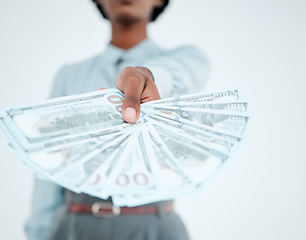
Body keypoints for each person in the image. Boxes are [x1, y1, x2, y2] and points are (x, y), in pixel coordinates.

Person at [25, 0, 209, 239]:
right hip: (76, 225)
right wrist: (39, 232)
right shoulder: (68, 76)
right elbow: (49, 162)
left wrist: (148, 76)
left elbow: (180, 72)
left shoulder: (186, 60)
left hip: (154, 226)